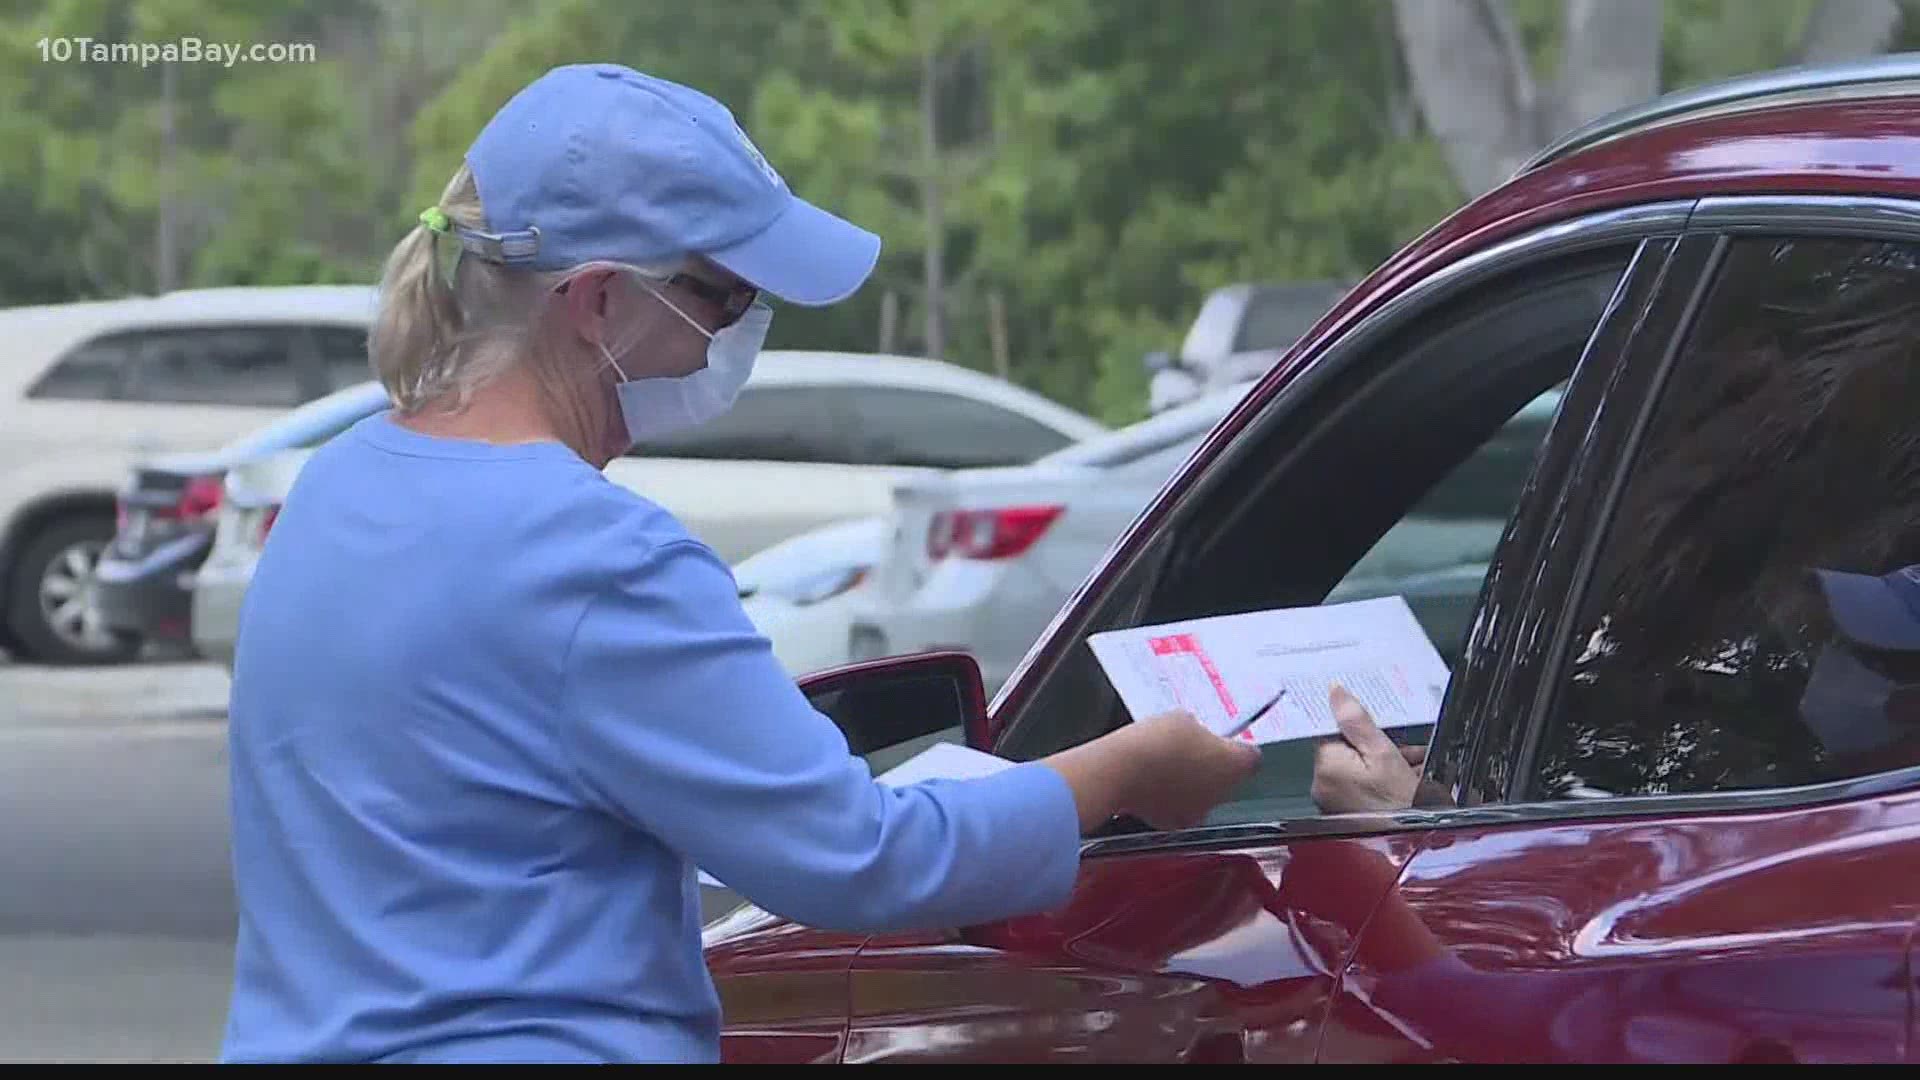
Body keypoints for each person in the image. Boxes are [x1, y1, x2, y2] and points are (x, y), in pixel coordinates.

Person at [219, 63, 1259, 1065]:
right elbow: (862, 858)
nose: (737, 336)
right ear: (594, 302)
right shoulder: (595, 557)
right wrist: (1127, 767)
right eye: (722, 299)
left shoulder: (337, 490)